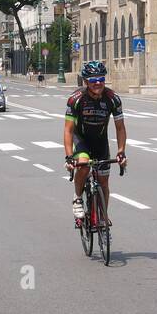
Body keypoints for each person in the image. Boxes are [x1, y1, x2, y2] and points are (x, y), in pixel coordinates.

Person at [63, 60, 127, 225]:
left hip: (100, 142)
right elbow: (68, 130)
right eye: (93, 80)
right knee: (83, 164)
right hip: (82, 139)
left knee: (104, 182)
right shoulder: (76, 99)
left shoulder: (113, 99)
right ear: (85, 82)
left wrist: (121, 152)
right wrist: (69, 157)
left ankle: (103, 214)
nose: (98, 83)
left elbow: (120, 128)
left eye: (101, 79)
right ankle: (77, 199)